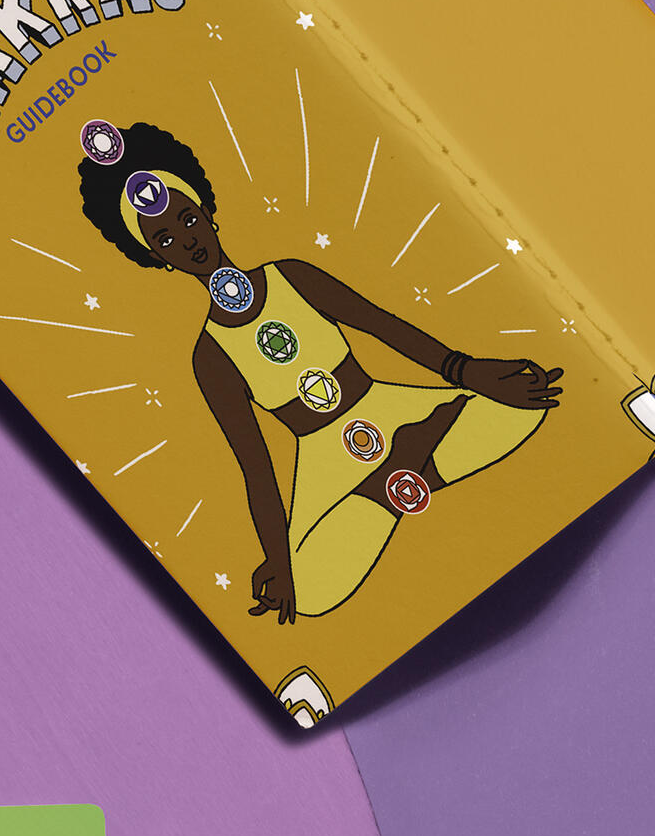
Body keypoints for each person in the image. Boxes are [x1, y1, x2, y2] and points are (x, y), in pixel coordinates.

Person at [75, 120, 559, 624]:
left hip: (390, 406)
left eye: (188, 219)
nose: (187, 240)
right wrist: (278, 560)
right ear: (157, 258)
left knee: (522, 400)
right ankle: (407, 465)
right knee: (307, 592)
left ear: (207, 212)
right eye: (165, 238)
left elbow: (381, 326)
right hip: (325, 460)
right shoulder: (210, 356)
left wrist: (466, 371)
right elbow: (255, 464)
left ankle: (395, 473)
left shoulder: (291, 276)